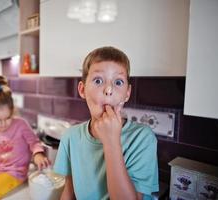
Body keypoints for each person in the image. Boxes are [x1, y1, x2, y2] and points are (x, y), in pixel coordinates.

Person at [53, 46, 159, 200]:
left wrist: (111, 141)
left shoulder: (142, 138)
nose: (109, 89)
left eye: (118, 82)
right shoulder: (70, 137)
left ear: (127, 93)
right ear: (82, 90)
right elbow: (69, 192)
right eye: (98, 80)